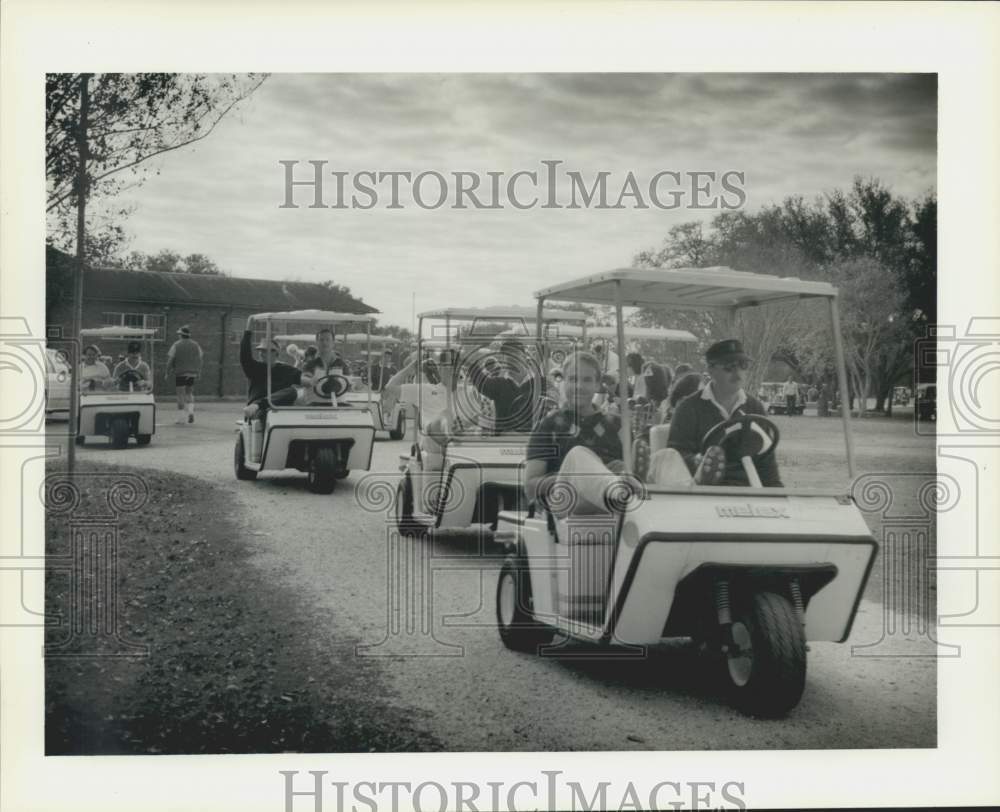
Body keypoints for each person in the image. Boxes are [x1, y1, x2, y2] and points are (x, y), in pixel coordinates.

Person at [525, 351, 723, 518]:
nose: (579, 386)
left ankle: (692, 497)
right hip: (569, 499)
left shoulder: (616, 424)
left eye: (586, 380)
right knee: (580, 455)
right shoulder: (548, 425)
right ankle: (621, 491)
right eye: (573, 379)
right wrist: (583, 475)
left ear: (596, 385)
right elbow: (530, 486)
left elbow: (633, 463)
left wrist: (620, 471)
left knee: (666, 457)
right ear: (563, 382)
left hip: (616, 497)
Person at [667, 339, 782, 487]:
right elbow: (677, 455)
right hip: (702, 492)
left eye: (743, 365)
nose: (738, 372)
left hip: (748, 490)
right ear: (711, 370)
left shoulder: (755, 407)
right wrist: (699, 461)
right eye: (729, 367)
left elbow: (766, 461)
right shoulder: (688, 408)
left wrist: (777, 495)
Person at [466, 339, 542, 434]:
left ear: (524, 357)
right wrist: (471, 361)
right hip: (504, 441)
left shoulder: (539, 383)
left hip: (530, 441)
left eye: (515, 354)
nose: (510, 359)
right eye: (507, 356)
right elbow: (482, 383)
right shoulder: (500, 384)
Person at [165, 325, 203, 425]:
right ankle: (191, 412)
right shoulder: (196, 345)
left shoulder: (176, 345)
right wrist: (199, 371)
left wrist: (167, 371)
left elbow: (170, 360)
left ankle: (181, 418)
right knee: (189, 393)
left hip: (180, 373)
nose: (178, 336)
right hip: (192, 373)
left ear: (181, 335)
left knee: (180, 395)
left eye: (179, 334)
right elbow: (200, 359)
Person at [300, 328, 347, 405]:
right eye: (321, 340)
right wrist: (309, 381)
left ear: (333, 343)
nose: (324, 343)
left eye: (328, 340)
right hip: (315, 404)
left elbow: (349, 382)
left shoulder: (342, 364)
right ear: (317, 343)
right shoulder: (310, 364)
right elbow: (304, 378)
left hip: (338, 404)